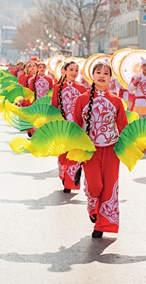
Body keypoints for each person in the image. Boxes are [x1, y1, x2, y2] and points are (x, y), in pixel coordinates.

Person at [73, 61, 128, 238]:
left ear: (110, 78)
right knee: (95, 186)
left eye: (106, 73)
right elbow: (75, 126)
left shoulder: (117, 102)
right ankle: (93, 205)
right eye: (98, 72)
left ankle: (101, 225)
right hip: (90, 151)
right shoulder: (81, 100)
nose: (102, 75)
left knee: (109, 187)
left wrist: (133, 147)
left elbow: (124, 128)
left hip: (112, 150)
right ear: (92, 75)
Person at [51, 61, 86, 193]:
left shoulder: (82, 88)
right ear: (64, 71)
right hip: (63, 128)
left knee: (75, 155)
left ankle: (70, 182)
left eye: (76, 70)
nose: (74, 72)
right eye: (71, 69)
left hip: (77, 128)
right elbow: (53, 108)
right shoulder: (57, 88)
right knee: (63, 156)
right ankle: (64, 176)